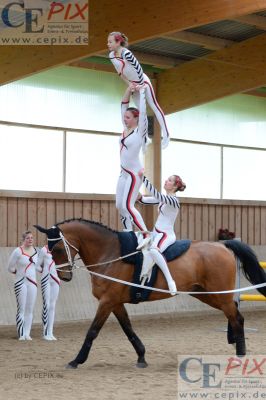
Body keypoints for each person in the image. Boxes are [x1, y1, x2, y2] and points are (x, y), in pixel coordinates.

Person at [108, 31, 170, 149]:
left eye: (110, 42)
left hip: (143, 81)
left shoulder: (127, 53)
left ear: (118, 42)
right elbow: (120, 73)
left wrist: (141, 85)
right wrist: (130, 85)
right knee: (142, 112)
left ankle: (166, 134)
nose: (108, 44)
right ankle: (144, 138)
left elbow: (138, 69)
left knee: (154, 106)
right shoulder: (111, 56)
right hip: (134, 85)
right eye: (108, 42)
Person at [138, 175, 186, 295]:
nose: (166, 180)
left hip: (166, 235)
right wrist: (134, 185)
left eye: (169, 180)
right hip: (156, 233)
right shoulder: (163, 199)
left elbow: (157, 195)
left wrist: (143, 178)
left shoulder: (174, 200)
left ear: (175, 186)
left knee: (154, 251)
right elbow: (143, 200)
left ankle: (170, 281)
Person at [116, 84, 150, 249]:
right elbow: (123, 103)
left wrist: (142, 93)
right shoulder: (125, 129)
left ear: (136, 119)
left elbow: (143, 113)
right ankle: (129, 232)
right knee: (119, 205)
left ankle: (145, 234)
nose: (125, 119)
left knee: (128, 205)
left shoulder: (139, 132)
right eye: (125, 117)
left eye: (128, 117)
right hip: (123, 173)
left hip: (134, 173)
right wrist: (129, 89)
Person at [7, 230, 38, 340]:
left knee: (30, 309)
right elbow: (10, 268)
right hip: (21, 282)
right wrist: (19, 273)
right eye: (28, 238)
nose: (30, 240)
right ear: (23, 239)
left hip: (33, 283)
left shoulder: (36, 251)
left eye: (31, 238)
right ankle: (21, 334)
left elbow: (37, 267)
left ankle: (27, 333)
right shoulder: (17, 251)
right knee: (21, 309)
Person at [36, 244, 60, 341]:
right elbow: (37, 266)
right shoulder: (44, 250)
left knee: (53, 305)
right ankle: (45, 333)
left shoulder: (60, 249)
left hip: (56, 280)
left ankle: (50, 332)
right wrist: (45, 271)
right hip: (46, 279)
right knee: (46, 304)